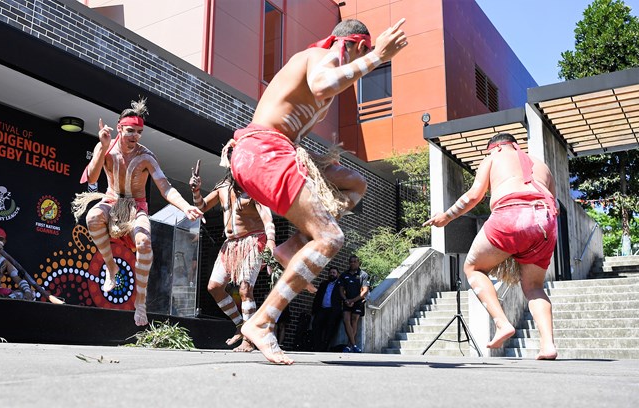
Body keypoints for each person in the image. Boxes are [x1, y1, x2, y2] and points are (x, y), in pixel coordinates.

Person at [220, 18, 408, 364]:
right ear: (355, 45)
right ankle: (262, 322)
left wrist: (318, 161)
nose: (358, 65)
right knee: (330, 238)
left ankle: (293, 247)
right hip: (263, 151)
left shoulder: (325, 58)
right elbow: (323, 86)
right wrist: (378, 57)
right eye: (361, 55)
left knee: (356, 183)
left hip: (275, 151)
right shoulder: (325, 55)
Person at [424, 132, 559, 360]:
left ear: (494, 148)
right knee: (534, 287)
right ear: (515, 145)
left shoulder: (493, 158)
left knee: (473, 268)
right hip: (546, 221)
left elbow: (474, 196)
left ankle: (501, 322)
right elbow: (553, 201)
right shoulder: (541, 165)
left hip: (510, 214)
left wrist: (446, 217)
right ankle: (548, 345)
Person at [72, 97, 203, 326]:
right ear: (120, 128)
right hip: (112, 199)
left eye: (139, 132)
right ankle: (111, 269)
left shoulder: (146, 156)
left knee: (144, 243)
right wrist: (101, 147)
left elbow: (165, 187)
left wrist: (185, 206)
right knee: (92, 216)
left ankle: (140, 302)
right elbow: (92, 178)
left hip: (136, 207)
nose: (135, 136)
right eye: (130, 131)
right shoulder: (106, 147)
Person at [189, 163, 276, 352]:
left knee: (245, 288)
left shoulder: (255, 189)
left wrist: (270, 240)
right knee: (214, 287)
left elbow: (267, 218)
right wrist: (196, 190)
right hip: (230, 244)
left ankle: (249, 338)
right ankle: (239, 325)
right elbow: (202, 206)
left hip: (254, 241)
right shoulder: (222, 187)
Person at [339, 255, 369, 352]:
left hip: (358, 301)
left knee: (354, 321)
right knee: (345, 320)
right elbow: (341, 290)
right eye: (351, 261)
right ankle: (354, 345)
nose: (353, 263)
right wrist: (346, 300)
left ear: (358, 262)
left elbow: (365, 291)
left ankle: (349, 346)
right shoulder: (344, 275)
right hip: (346, 301)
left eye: (355, 261)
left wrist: (353, 301)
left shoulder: (363, 275)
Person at [311, 266, 343, 352]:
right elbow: (317, 297)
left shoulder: (340, 285)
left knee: (330, 328)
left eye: (334, 273)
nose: (332, 274)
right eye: (330, 273)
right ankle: (317, 346)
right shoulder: (323, 284)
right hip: (322, 309)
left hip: (333, 310)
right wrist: (314, 310)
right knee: (316, 325)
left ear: (337, 274)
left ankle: (325, 347)